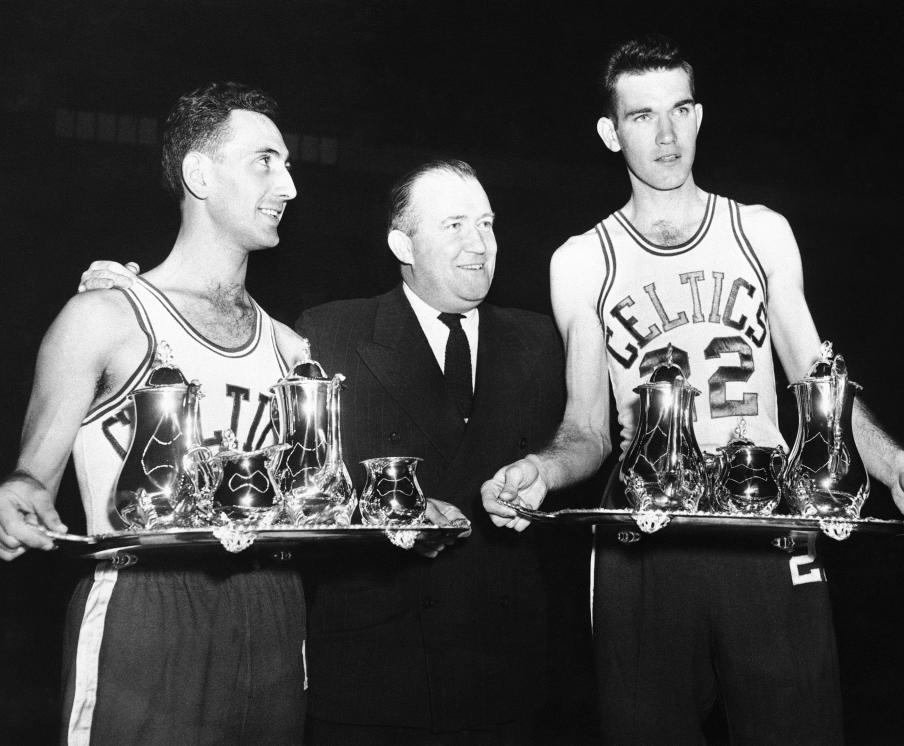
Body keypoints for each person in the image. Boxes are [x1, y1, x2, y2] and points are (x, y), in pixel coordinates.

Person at [482, 35, 904, 745]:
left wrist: (899, 471)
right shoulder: (582, 261)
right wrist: (539, 473)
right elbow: (586, 429)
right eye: (642, 117)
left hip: (762, 520)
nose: (667, 135)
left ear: (700, 115)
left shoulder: (761, 232)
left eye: (680, 110)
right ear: (611, 134)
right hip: (644, 535)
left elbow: (816, 381)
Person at [76, 159, 595, 744]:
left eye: (487, 223)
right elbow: (226, 374)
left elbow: (587, 440)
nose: (480, 243)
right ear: (403, 242)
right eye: (455, 225)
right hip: (370, 678)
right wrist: (127, 295)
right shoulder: (324, 334)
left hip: (503, 674)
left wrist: (546, 470)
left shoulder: (540, 341)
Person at [1, 81, 311, 744]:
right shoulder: (107, 315)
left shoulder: (290, 347)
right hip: (150, 601)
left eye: (288, 166)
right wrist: (17, 497)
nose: (288, 186)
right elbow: (32, 475)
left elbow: (315, 497)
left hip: (274, 606)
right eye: (265, 161)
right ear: (200, 174)